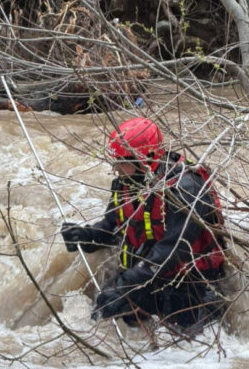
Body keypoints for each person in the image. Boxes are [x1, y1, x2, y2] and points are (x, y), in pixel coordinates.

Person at [61, 117, 227, 332]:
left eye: (123, 163)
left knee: (181, 350)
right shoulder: (128, 182)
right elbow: (115, 226)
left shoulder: (187, 189)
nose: (117, 169)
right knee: (101, 311)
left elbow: (173, 249)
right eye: (116, 162)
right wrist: (87, 236)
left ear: (146, 160)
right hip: (146, 279)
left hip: (190, 288)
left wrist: (125, 286)